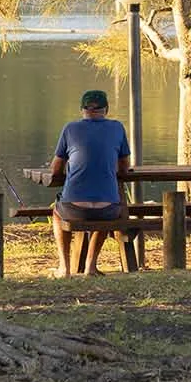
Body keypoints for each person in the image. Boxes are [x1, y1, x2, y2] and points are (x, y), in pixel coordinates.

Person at [46, 89, 134, 274]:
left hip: (74, 209)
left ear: (82, 110)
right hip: (108, 209)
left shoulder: (70, 129)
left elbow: (55, 169)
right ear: (106, 109)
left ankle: (64, 267)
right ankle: (90, 266)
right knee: (105, 211)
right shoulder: (117, 127)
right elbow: (125, 167)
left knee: (57, 212)